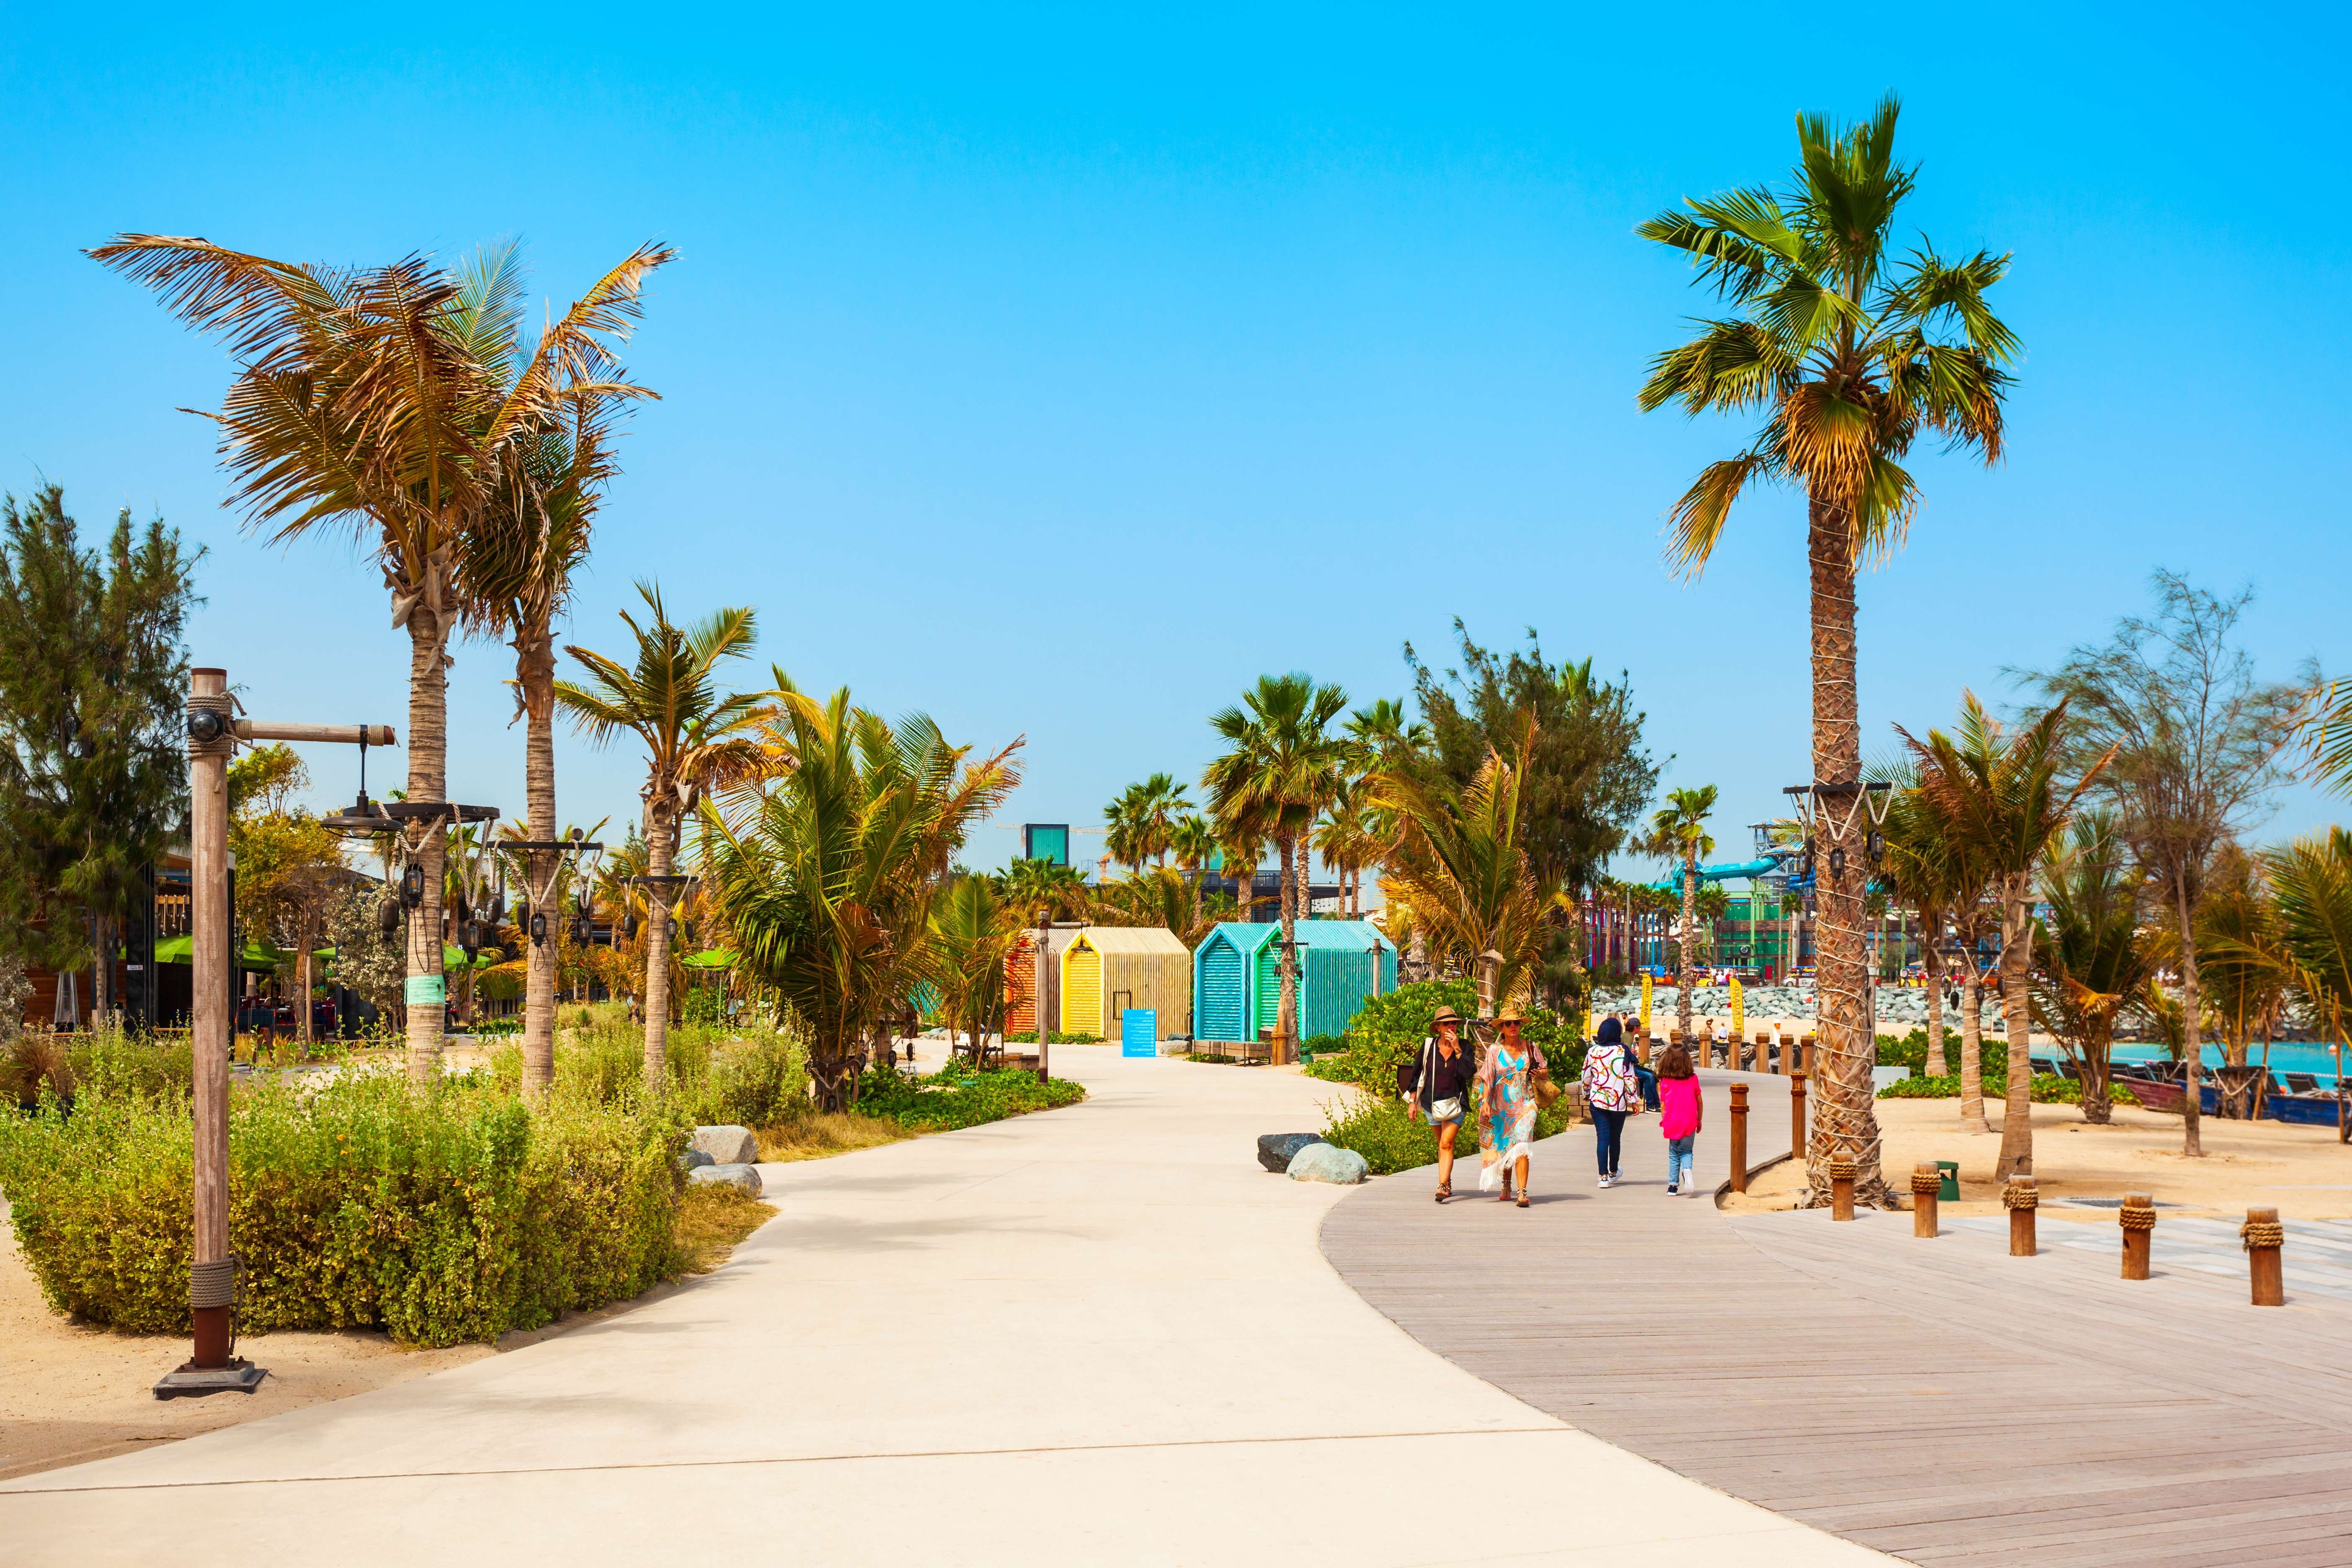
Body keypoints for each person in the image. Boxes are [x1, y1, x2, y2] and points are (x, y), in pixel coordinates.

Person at [1476, 1008, 1546, 1208]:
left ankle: (1522, 1192)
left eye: (1516, 1022)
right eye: (1508, 1024)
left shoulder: (1531, 1047)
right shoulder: (1494, 1051)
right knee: (1506, 1146)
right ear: (1502, 1028)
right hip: (1501, 1106)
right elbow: (1487, 1079)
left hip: (1527, 1104)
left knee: (1522, 1144)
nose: (1513, 1026)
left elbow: (1544, 1069)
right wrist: (1485, 1102)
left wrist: (1540, 1072)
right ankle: (1506, 1185)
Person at [1405, 1006, 1475, 1202]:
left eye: (1454, 1023)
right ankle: (1447, 1180)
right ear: (1438, 1028)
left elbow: (1468, 1074)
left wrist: (1457, 1049)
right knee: (1442, 1145)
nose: (1451, 1027)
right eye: (1447, 1024)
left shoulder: (1465, 1046)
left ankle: (1443, 1186)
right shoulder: (1429, 1046)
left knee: (1446, 1143)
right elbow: (1416, 1075)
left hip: (1456, 1103)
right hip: (1431, 1104)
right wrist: (1412, 1102)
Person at [1581, 1015, 1643, 1188]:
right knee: (1615, 1138)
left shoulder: (1592, 1052)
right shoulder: (1624, 1052)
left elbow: (1586, 1075)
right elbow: (1629, 1078)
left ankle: (1603, 1177)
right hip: (1619, 1102)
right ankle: (1613, 1172)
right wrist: (1634, 1101)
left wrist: (1587, 1092)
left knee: (1602, 1139)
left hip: (1598, 1102)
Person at [1656, 1043, 1703, 1196]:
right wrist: (1699, 1119)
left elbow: (1663, 1104)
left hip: (1672, 1120)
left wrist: (1665, 1120)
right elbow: (1699, 1100)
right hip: (1689, 1120)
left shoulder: (1665, 1081)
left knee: (1673, 1154)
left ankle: (1673, 1186)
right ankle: (1687, 1171)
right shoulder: (1693, 1078)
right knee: (1686, 1151)